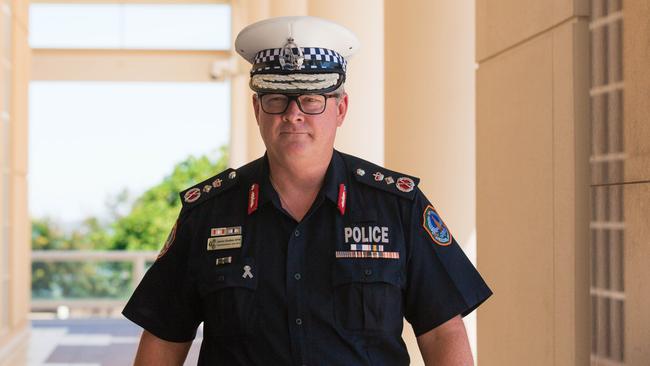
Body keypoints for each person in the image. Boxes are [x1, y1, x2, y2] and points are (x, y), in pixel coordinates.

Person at [123, 16, 492, 366]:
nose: (293, 114)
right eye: (276, 98)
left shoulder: (397, 207)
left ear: (341, 108)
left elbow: (443, 331)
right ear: (257, 108)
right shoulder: (207, 214)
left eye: (311, 99)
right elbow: (163, 338)